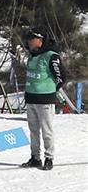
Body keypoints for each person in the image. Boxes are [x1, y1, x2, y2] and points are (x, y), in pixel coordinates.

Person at [22, 30, 65, 171]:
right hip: (31, 98)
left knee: (47, 131)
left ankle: (49, 158)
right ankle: (35, 157)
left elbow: (61, 77)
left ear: (40, 40)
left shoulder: (51, 56)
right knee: (33, 131)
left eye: (31, 38)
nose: (28, 41)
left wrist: (52, 91)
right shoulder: (32, 55)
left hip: (45, 99)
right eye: (28, 38)